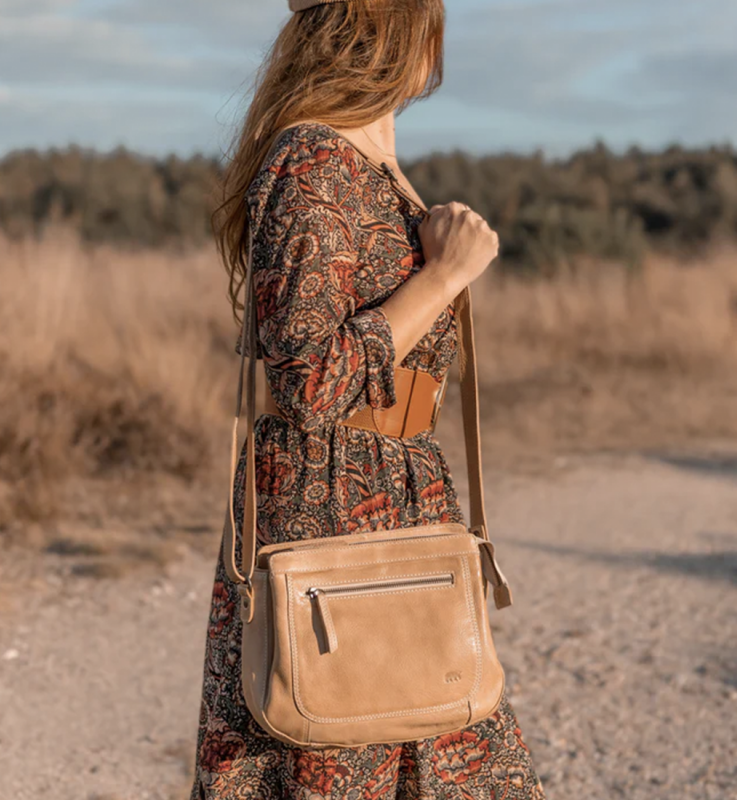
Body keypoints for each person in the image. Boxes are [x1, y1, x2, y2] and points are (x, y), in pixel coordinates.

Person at [189, 1, 546, 797]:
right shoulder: (310, 162)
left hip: (403, 488)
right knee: (331, 741)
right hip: (328, 507)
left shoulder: (371, 165)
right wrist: (442, 278)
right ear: (393, 33)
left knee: (439, 726)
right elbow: (310, 381)